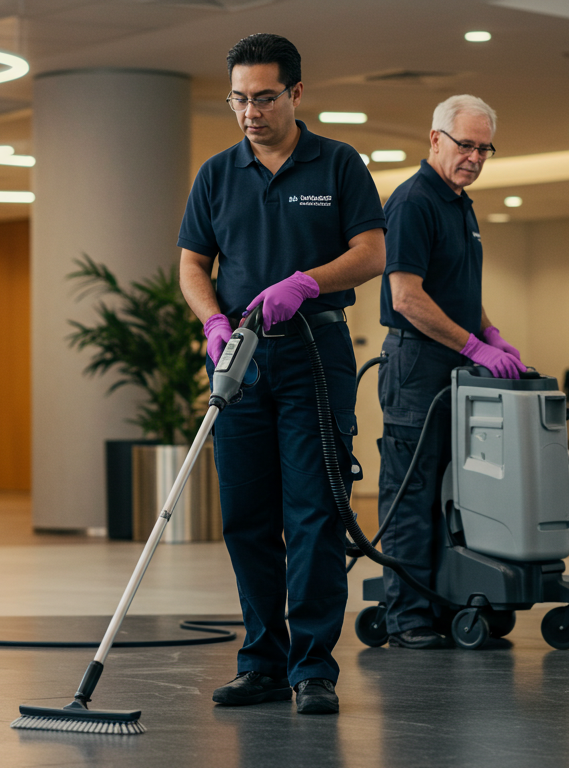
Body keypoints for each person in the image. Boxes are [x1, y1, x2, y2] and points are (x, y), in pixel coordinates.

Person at [178, 33, 386, 715]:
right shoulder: (216, 174)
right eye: (238, 98)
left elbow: (371, 253)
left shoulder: (338, 164)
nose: (249, 112)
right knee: (246, 517)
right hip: (240, 360)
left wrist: (306, 282)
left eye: (263, 97)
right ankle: (262, 661)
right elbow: (191, 265)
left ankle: (313, 670)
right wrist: (212, 321)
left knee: (315, 514)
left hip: (314, 355)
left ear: (295, 93)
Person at [377, 95, 526, 649]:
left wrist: (490, 335)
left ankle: (445, 603)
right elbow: (407, 297)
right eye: (466, 144)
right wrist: (475, 346)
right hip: (418, 363)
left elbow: (460, 294)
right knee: (411, 490)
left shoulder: (460, 204)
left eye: (485, 147)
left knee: (456, 490)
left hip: (457, 358)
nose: (475, 157)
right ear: (435, 138)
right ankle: (407, 617)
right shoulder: (413, 201)